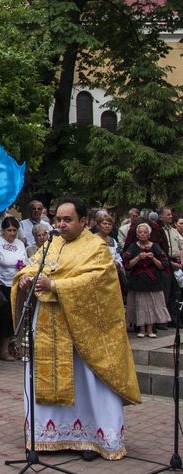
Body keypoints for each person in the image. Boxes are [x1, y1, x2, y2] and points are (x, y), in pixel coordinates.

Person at [13, 197, 141, 460]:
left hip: (84, 329)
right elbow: (32, 266)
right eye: (58, 219)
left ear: (84, 221)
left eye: (67, 219)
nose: (61, 224)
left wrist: (56, 286)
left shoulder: (96, 247)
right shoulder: (52, 243)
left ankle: (92, 438)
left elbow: (97, 282)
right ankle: (49, 436)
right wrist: (26, 279)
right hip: (47, 323)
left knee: (86, 381)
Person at [0, 216, 29, 361]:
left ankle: (4, 350)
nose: (12, 233)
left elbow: (24, 261)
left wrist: (21, 266)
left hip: (14, 284)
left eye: (14, 230)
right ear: (3, 230)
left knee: (9, 319)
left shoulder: (19, 244)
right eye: (9, 230)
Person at [124, 221, 171, 338]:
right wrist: (138, 258)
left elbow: (164, 265)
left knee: (151, 305)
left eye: (145, 232)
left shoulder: (155, 246)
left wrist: (153, 258)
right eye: (140, 232)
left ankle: (150, 329)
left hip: (153, 281)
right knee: (140, 304)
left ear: (149, 234)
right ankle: (141, 329)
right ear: (137, 234)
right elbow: (127, 265)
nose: (142, 234)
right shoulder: (133, 246)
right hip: (138, 281)